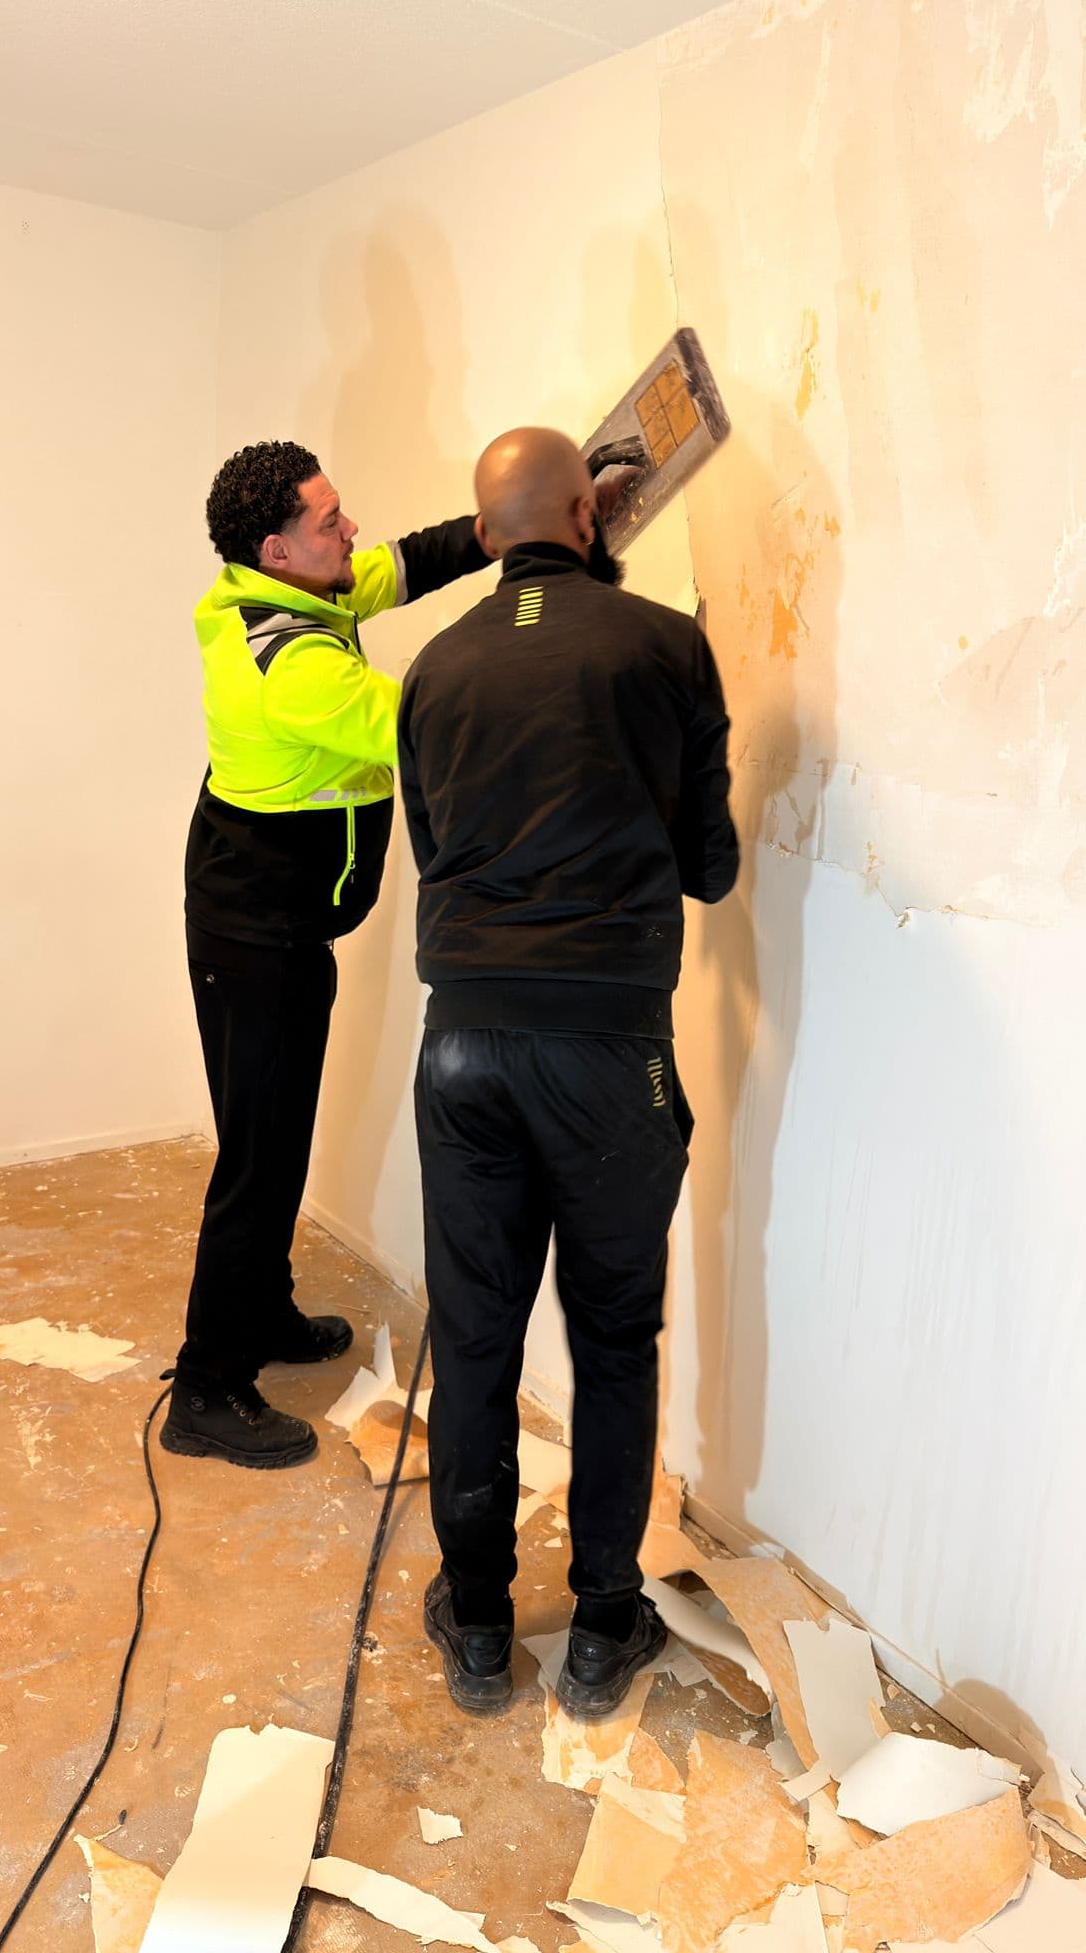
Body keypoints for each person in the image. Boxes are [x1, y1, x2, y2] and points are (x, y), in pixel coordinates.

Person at [396, 426, 738, 1719]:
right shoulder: (666, 648)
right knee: (613, 1336)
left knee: (474, 1335)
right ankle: (603, 1625)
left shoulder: (433, 669)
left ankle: (479, 1623)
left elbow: (434, 844)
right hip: (611, 1052)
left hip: (464, 1045)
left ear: (485, 535)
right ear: (589, 519)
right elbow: (710, 866)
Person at [165, 441, 491, 1472]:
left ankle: (261, 1310)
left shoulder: (296, 588)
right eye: (329, 520)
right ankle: (209, 1387)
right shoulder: (291, 664)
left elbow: (394, 567)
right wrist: (533, 663)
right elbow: (424, 728)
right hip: (254, 936)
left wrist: (491, 535)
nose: (351, 531)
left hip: (272, 925)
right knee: (259, 1161)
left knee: (273, 1143)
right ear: (277, 549)